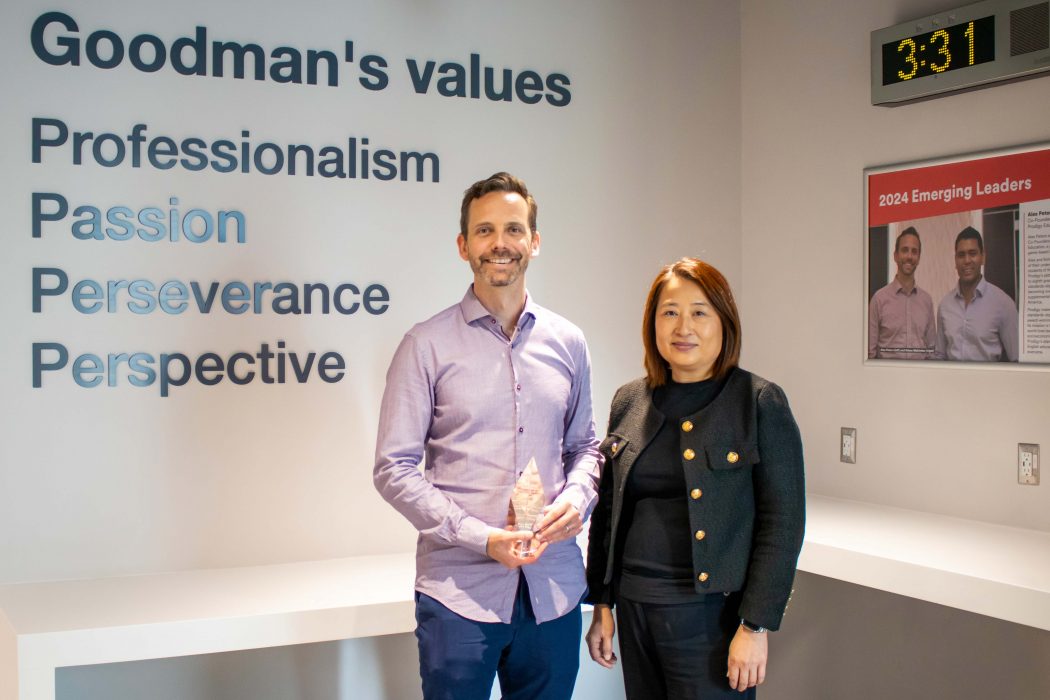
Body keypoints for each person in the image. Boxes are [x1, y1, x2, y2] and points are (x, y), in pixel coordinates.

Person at [373, 172, 601, 700]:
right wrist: (483, 538)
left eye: (514, 230)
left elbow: (585, 447)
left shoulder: (569, 342)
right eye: (485, 231)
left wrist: (577, 499)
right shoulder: (424, 345)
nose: (500, 243)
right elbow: (393, 469)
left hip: (554, 591)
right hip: (459, 595)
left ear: (535, 242)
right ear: (463, 246)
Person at [584, 258, 805, 699]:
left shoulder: (758, 401)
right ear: (653, 325)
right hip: (635, 608)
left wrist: (755, 624)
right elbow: (609, 513)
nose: (683, 326)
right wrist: (602, 603)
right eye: (669, 312)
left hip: (711, 621)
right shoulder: (629, 400)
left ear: (725, 322)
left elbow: (782, 523)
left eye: (699, 312)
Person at [935, 227, 1018, 362]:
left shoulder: (1003, 304)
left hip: (988, 382)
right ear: (955, 260)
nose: (967, 260)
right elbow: (939, 355)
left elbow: (1016, 359)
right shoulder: (945, 305)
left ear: (983, 257)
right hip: (950, 382)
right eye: (961, 255)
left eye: (972, 253)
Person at [868, 227, 935, 359]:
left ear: (919, 258)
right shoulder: (879, 299)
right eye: (905, 250)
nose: (909, 256)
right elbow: (870, 353)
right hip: (887, 377)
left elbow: (932, 352)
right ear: (895, 256)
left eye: (914, 252)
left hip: (919, 377)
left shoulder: (926, 301)